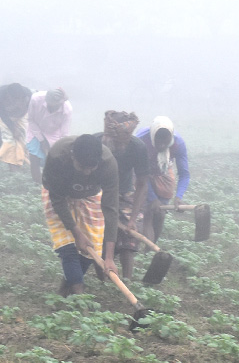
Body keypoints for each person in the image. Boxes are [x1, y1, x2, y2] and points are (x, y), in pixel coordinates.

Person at [41, 133, 118, 296]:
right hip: (59, 195)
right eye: (82, 167)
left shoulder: (108, 164)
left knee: (91, 247)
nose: (87, 172)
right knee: (68, 244)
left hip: (90, 196)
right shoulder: (57, 157)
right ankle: (78, 294)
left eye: (92, 168)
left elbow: (110, 208)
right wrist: (76, 233)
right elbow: (58, 200)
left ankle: (69, 284)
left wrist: (109, 257)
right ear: (72, 156)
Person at [94, 110, 149, 280]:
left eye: (118, 143)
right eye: (111, 140)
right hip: (96, 192)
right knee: (99, 236)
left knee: (128, 238)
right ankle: (103, 277)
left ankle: (127, 280)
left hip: (125, 192)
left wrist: (132, 219)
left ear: (127, 138)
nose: (114, 146)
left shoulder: (138, 148)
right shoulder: (95, 143)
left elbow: (141, 184)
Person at [135, 116, 190, 243]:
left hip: (162, 170)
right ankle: (148, 251)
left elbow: (184, 174)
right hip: (141, 172)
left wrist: (178, 197)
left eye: (165, 142)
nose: (161, 145)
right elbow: (138, 173)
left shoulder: (178, 144)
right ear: (152, 137)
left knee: (160, 213)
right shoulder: (141, 140)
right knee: (148, 212)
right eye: (158, 142)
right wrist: (152, 198)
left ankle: (152, 251)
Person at [26, 87, 72, 184]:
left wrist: (60, 147)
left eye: (57, 106)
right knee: (34, 157)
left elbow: (64, 133)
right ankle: (37, 183)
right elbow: (30, 120)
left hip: (54, 133)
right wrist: (42, 140)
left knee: (52, 160)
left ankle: (49, 184)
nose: (53, 108)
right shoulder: (35, 99)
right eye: (51, 105)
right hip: (36, 128)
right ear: (46, 100)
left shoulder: (67, 109)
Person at [0, 83, 32, 170]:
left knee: (23, 139)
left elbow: (30, 110)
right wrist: (13, 129)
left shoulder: (28, 93)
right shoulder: (0, 95)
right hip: (2, 116)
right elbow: (2, 114)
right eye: (16, 98)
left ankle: (22, 161)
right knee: (0, 138)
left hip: (21, 116)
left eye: (20, 98)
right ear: (9, 96)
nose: (18, 100)